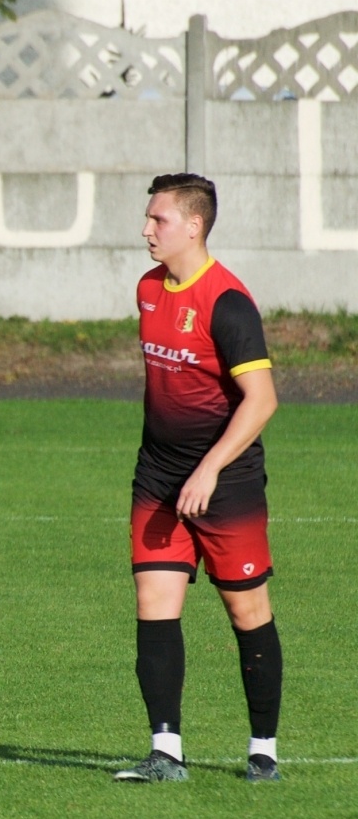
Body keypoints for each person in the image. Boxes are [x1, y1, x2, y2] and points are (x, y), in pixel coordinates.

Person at [114, 174, 282, 783]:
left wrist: (210, 468)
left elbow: (260, 400)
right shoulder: (148, 289)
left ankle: (262, 752)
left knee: (248, 612)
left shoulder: (227, 303)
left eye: (157, 219)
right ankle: (166, 753)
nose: (146, 229)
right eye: (148, 217)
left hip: (227, 485)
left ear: (193, 225)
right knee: (154, 604)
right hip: (158, 478)